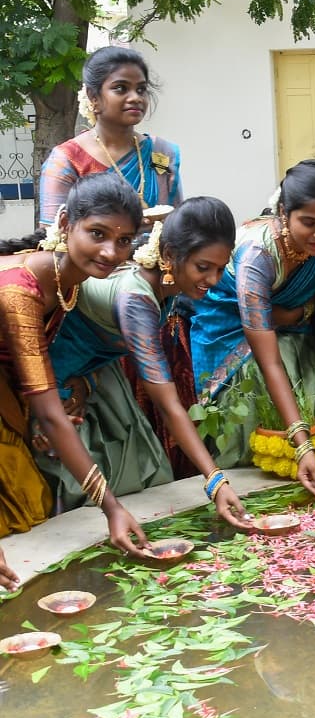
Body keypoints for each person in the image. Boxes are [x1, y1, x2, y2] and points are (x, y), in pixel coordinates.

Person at [40, 197, 254, 529]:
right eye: (203, 267)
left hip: (92, 378)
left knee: (143, 473)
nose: (213, 280)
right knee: (75, 498)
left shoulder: (166, 285)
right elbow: (169, 406)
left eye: (221, 268)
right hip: (52, 388)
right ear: (169, 255)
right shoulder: (136, 299)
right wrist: (215, 481)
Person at [0, 172, 152, 558]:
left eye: (123, 241)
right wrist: (112, 508)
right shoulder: (22, 290)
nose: (110, 252)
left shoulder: (69, 280)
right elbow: (50, 415)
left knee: (28, 504)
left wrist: (68, 400)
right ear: (66, 223)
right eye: (97, 234)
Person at [189, 160, 315, 497]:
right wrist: (301, 441)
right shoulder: (258, 256)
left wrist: (298, 311)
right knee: (258, 384)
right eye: (308, 223)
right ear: (282, 212)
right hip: (231, 326)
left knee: (301, 365)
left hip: (293, 324)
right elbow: (269, 360)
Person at [39, 47, 182, 226]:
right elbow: (52, 238)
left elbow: (179, 225)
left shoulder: (161, 152)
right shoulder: (67, 160)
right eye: (121, 88)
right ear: (94, 97)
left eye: (141, 89)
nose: (135, 97)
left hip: (159, 253)